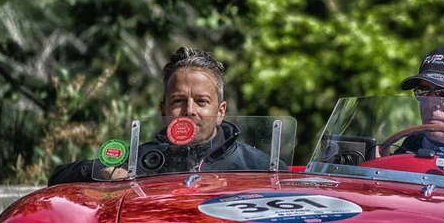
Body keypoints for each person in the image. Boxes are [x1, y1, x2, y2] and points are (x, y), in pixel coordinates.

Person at [48, 47, 278, 186]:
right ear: (163, 111)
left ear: (220, 112)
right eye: (178, 101)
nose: (189, 110)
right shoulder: (140, 161)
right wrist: (101, 171)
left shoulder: (259, 166)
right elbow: (57, 178)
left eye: (201, 102)